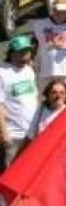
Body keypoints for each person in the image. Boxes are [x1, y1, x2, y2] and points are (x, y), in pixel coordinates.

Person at [0, 36, 39, 171]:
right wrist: (4, 132)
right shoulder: (2, 73)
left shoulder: (29, 70)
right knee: (10, 171)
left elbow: (34, 98)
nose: (25, 56)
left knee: (29, 170)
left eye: (27, 52)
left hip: (31, 132)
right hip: (13, 134)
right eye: (21, 52)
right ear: (12, 53)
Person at [32, 6, 66, 95]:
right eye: (56, 7)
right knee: (47, 100)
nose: (58, 11)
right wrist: (31, 61)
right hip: (48, 70)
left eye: (62, 8)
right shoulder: (40, 25)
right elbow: (34, 44)